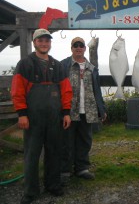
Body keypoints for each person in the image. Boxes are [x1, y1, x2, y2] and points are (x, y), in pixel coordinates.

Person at [11, 28, 73, 204]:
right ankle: (30, 192)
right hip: (32, 118)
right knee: (32, 154)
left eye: (47, 41)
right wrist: (22, 114)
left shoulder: (58, 65)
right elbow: (17, 91)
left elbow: (66, 91)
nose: (44, 43)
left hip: (55, 117)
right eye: (40, 40)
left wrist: (66, 112)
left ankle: (53, 185)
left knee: (54, 152)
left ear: (50, 43)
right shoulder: (25, 64)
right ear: (34, 43)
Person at [60, 37, 107, 183]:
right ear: (71, 47)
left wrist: (102, 108)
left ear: (85, 48)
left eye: (81, 45)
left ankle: (82, 168)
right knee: (66, 141)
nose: (78, 48)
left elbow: (96, 90)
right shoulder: (63, 65)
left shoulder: (92, 68)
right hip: (69, 111)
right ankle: (65, 170)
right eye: (75, 45)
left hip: (88, 110)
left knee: (85, 140)